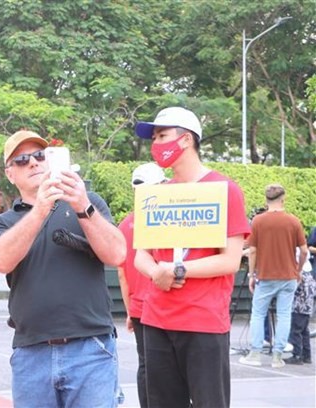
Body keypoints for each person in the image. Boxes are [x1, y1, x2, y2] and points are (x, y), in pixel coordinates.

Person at [0, 130, 126, 407]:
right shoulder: (3, 221)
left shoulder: (88, 203)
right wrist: (39, 209)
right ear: (10, 174)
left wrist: (82, 205)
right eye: (22, 160)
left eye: (40, 156)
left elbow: (117, 253)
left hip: (91, 349)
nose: (33, 163)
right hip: (31, 353)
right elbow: (0, 261)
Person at [133, 107, 250, 407]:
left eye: (162, 136)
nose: (155, 145)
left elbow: (230, 261)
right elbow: (140, 257)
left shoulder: (225, 190)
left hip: (203, 322)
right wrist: (157, 271)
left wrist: (178, 269)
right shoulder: (157, 194)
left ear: (185, 140)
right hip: (156, 320)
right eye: (154, 138)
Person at [239, 184, 308, 368]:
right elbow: (303, 251)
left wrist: (252, 274)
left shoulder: (258, 221)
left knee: (258, 314)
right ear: (283, 198)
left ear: (266, 200)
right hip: (289, 276)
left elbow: (252, 250)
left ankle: (255, 354)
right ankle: (278, 357)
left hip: (266, 275)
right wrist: (298, 270)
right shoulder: (293, 221)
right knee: (284, 315)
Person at [116, 162, 166, 408]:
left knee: (146, 363)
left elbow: (122, 274)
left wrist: (128, 310)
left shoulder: (124, 225)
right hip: (164, 306)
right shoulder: (168, 219)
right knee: (167, 367)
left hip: (137, 306)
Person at [284, 256, 315, 365]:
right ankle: (306, 355)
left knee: (295, 331)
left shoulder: (299, 276)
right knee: (304, 331)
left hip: (298, 307)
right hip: (307, 307)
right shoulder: (310, 276)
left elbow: (293, 289)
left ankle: (297, 354)